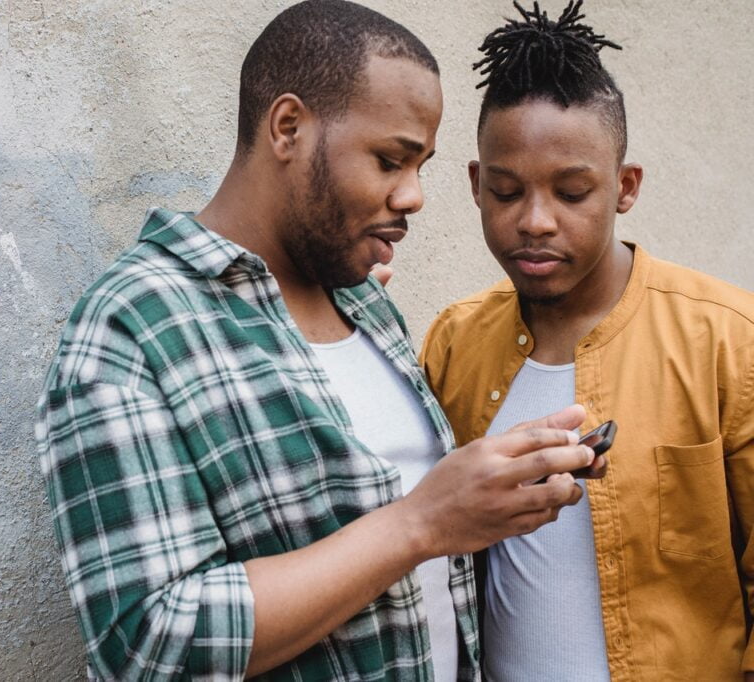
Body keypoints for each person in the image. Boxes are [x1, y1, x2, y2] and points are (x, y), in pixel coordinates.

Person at [34, 1, 599, 679]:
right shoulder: (132, 326)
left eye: (420, 166)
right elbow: (148, 643)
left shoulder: (364, 300)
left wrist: (501, 489)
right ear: (289, 127)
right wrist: (420, 523)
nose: (414, 196)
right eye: (391, 160)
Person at [419, 2, 754, 679]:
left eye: (572, 193)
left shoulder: (728, 342)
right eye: (508, 192)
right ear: (477, 187)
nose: (535, 221)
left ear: (625, 187)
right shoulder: (453, 345)